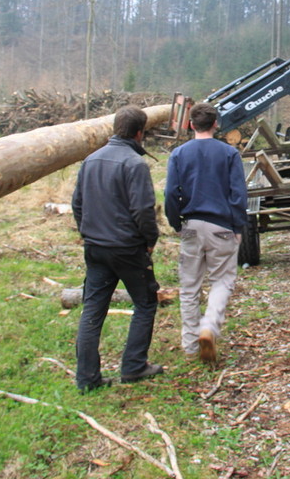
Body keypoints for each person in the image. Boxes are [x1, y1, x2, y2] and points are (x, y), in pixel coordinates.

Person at [72, 105, 162, 392]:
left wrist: (87, 231)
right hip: (127, 248)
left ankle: (87, 378)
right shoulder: (135, 164)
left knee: (92, 309)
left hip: (96, 247)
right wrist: (150, 240)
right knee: (145, 303)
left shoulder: (91, 160)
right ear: (139, 133)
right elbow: (143, 210)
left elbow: (77, 204)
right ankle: (134, 366)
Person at [165, 102, 248, 363]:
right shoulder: (229, 153)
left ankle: (191, 345)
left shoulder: (179, 154)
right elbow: (238, 194)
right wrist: (238, 226)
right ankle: (209, 326)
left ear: (191, 124)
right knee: (222, 280)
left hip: (191, 224)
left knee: (189, 286)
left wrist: (176, 223)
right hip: (221, 226)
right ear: (215, 124)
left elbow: (170, 193)